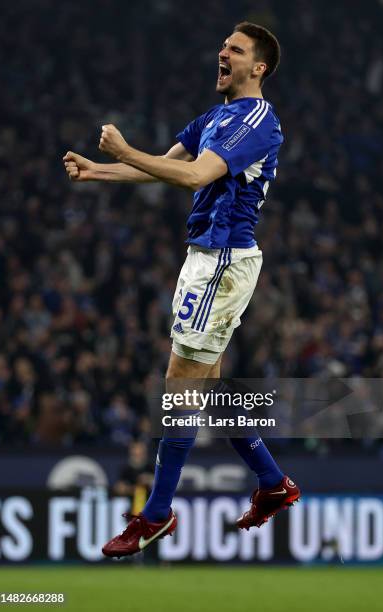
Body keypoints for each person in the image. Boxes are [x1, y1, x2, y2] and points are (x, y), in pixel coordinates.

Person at [64, 21, 300, 558]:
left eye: (235, 50)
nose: (222, 53)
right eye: (222, 46)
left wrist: (124, 150)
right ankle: (272, 482)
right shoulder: (213, 118)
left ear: (257, 67)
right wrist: (97, 172)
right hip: (202, 261)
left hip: (222, 261)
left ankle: (156, 513)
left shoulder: (258, 120)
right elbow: (168, 168)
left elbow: (196, 178)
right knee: (207, 394)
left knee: (180, 388)